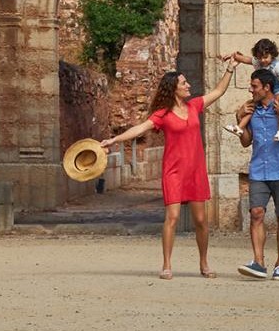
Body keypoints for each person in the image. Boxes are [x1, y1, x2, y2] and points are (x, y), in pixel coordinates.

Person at [100, 55, 245, 278]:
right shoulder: (163, 114)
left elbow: (218, 92)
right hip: (174, 171)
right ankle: (167, 265)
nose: (188, 86)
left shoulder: (195, 105)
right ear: (174, 88)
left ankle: (204, 263)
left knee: (200, 220)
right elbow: (140, 129)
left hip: (195, 170)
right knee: (173, 217)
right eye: (184, 83)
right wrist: (114, 140)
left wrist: (230, 69)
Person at [233, 67, 279, 280]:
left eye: (254, 86)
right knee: (256, 213)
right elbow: (246, 142)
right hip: (258, 171)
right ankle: (258, 262)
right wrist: (239, 118)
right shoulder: (251, 109)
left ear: (266, 88)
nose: (251, 90)